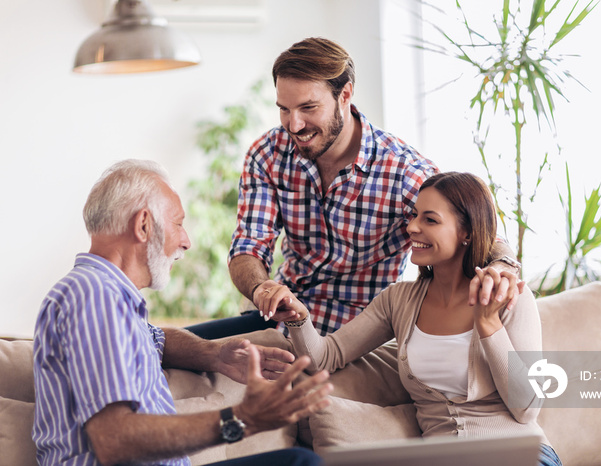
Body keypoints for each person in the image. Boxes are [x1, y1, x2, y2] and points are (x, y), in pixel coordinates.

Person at [190, 37, 521, 339]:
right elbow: (248, 246)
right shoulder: (268, 154)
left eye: (308, 108)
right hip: (282, 321)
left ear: (345, 95)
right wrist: (262, 288)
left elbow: (479, 232)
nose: (294, 125)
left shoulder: (402, 171)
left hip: (361, 337)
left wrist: (502, 268)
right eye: (284, 109)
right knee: (168, 349)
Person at [32, 159, 333, 466]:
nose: (187, 241)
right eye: (178, 223)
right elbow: (115, 442)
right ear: (144, 225)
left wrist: (214, 355)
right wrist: (244, 420)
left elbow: (157, 340)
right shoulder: (93, 296)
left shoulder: (108, 298)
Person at [270, 172, 562, 466]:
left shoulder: (511, 298)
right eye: (414, 216)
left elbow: (527, 409)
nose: (412, 227)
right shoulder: (398, 301)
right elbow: (325, 356)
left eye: (429, 220)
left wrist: (488, 325)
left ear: (468, 233)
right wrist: (298, 316)